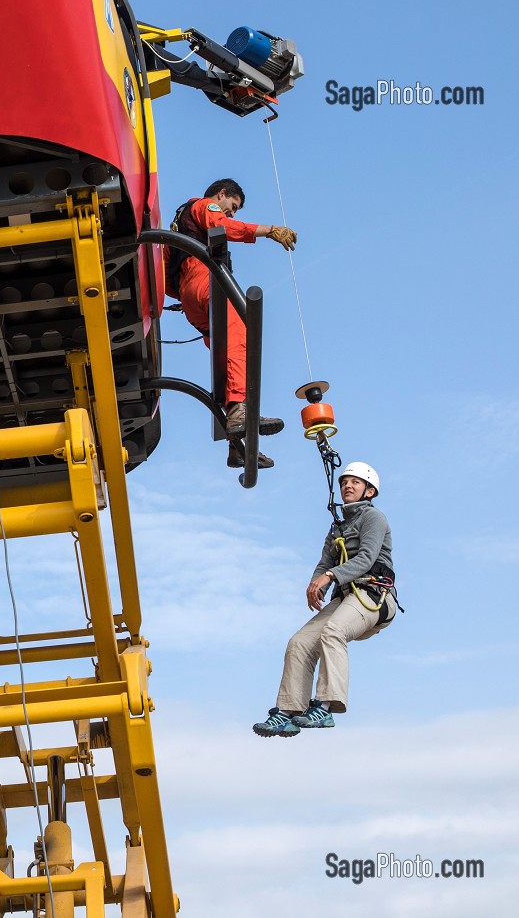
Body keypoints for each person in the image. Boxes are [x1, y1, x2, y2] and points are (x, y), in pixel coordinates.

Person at [253, 462, 396, 737]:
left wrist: (329, 576)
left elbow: (366, 559)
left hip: (374, 595)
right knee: (300, 642)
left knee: (333, 631)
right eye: (345, 482)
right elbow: (324, 563)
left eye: (355, 482)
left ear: (369, 491)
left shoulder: (374, 518)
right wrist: (315, 583)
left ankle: (326, 706)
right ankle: (288, 711)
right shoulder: (337, 528)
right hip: (346, 597)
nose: (348, 486)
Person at [167, 179, 297, 468]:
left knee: (228, 358)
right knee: (241, 331)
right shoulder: (204, 206)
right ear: (222, 194)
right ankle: (239, 410)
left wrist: (185, 298)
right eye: (233, 206)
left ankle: (237, 444)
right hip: (204, 281)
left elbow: (166, 271)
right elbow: (221, 227)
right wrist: (269, 231)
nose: (232, 213)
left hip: (191, 299)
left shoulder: (179, 225)